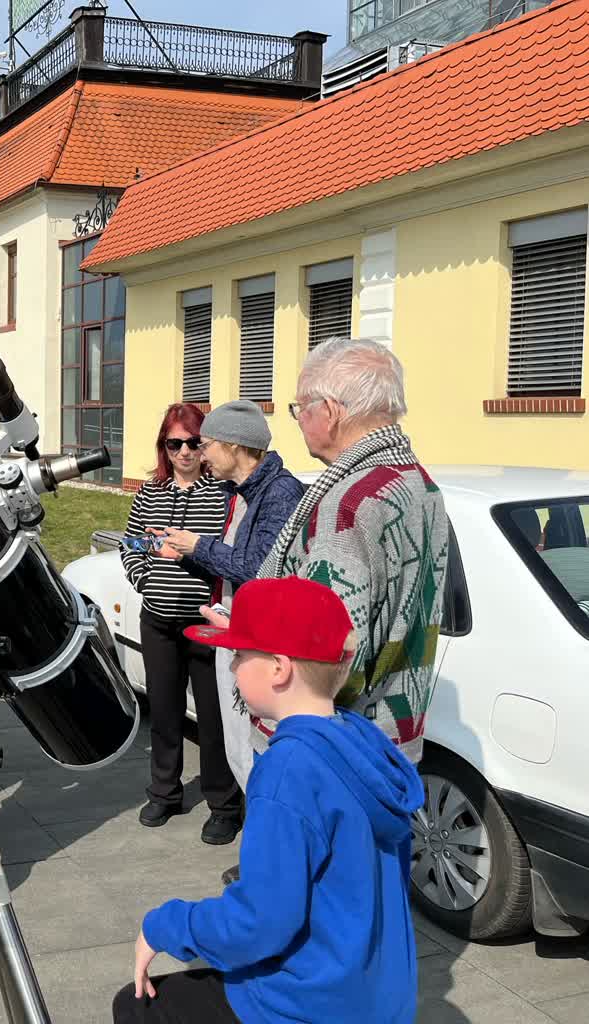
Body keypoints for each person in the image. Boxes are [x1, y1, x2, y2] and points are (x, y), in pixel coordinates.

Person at [113, 576, 422, 1024]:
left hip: (307, 1004)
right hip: (377, 997)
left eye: (239, 654)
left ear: (278, 668)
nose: (233, 666)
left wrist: (165, 926)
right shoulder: (360, 741)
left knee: (138, 1006)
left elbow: (260, 923)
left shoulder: (287, 770)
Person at [201, 338, 449, 887]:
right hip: (392, 737)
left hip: (332, 752)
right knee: (366, 901)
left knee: (308, 906)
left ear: (331, 412)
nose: (296, 421)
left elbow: (328, 653)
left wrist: (252, 641)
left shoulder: (350, 500)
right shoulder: (418, 483)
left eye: (299, 409)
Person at [155, 401, 304, 794]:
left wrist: (198, 546)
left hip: (263, 647)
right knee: (240, 747)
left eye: (206, 445)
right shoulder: (238, 493)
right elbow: (231, 566)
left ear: (235, 446)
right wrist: (186, 556)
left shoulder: (280, 493)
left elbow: (259, 569)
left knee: (256, 754)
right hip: (237, 635)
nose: (200, 455)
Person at [121, 404, 240, 845]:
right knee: (165, 713)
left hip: (205, 624)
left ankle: (223, 805)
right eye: (175, 443)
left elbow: (231, 556)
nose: (185, 451)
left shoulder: (224, 494)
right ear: (164, 447)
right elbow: (131, 545)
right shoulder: (150, 493)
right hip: (158, 622)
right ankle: (165, 793)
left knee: (213, 719)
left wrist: (191, 553)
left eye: (193, 442)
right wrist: (145, 577)